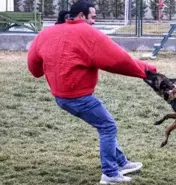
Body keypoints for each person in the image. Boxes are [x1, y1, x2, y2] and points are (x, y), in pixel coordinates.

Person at [27, 1, 157, 184]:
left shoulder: (47, 32)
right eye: (93, 17)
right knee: (108, 127)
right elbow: (119, 60)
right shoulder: (86, 33)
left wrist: (40, 71)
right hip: (78, 97)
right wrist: (148, 70)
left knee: (104, 124)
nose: (94, 22)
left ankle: (121, 162)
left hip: (61, 96)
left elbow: (33, 63)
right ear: (81, 16)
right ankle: (110, 174)